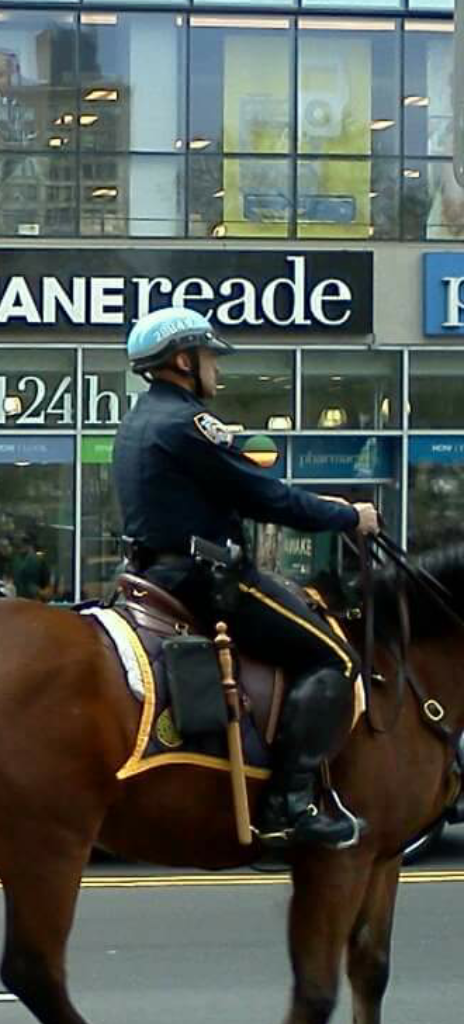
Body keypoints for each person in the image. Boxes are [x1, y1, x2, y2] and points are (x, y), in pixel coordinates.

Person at [113, 307, 380, 850]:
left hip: (151, 569)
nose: (217, 369)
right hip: (205, 576)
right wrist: (350, 516)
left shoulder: (141, 419)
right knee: (335, 657)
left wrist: (320, 504)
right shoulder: (187, 424)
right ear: (183, 360)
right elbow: (264, 496)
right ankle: (291, 805)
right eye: (209, 356)